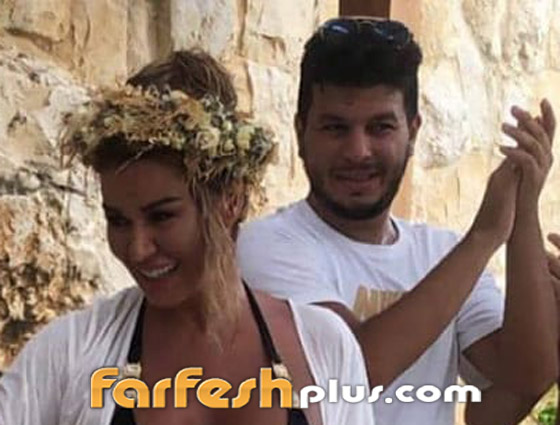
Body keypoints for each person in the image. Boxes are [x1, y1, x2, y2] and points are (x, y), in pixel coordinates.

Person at [0, 50, 374, 425]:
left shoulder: (326, 348)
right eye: (118, 220)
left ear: (231, 200)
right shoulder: (70, 353)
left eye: (161, 216)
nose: (137, 249)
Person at [237, 17, 558, 425]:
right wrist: (484, 237)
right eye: (335, 128)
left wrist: (524, 203)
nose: (358, 151)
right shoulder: (266, 246)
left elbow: (522, 380)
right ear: (301, 133)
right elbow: (351, 374)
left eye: (380, 127)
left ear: (413, 131)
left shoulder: (444, 254)